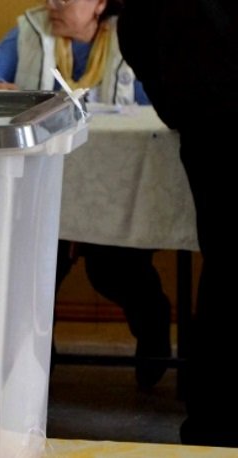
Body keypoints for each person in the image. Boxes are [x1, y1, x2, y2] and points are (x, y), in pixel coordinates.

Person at [0, 0, 172, 390]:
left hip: (115, 190)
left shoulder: (132, 35)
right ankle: (36, 370)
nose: (54, 2)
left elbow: (160, 102)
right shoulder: (31, 31)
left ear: (100, 3)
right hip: (37, 194)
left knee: (113, 270)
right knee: (36, 271)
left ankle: (154, 326)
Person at [118, 0, 238, 447]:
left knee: (226, 271)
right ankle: (214, 425)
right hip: (212, 117)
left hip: (206, 117)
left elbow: (134, 29)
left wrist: (178, 102)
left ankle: (212, 426)